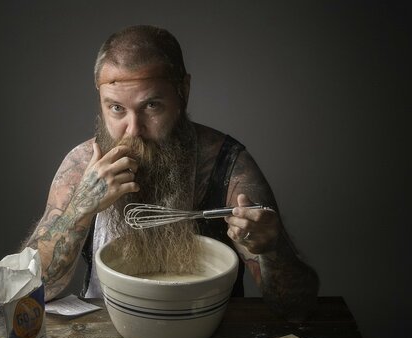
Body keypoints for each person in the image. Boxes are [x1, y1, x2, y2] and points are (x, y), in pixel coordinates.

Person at [22, 25, 319, 321]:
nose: (133, 129)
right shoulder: (84, 166)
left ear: (183, 92)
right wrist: (79, 210)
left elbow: (297, 308)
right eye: (116, 108)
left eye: (151, 105)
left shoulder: (229, 167)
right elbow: (28, 292)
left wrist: (271, 250)